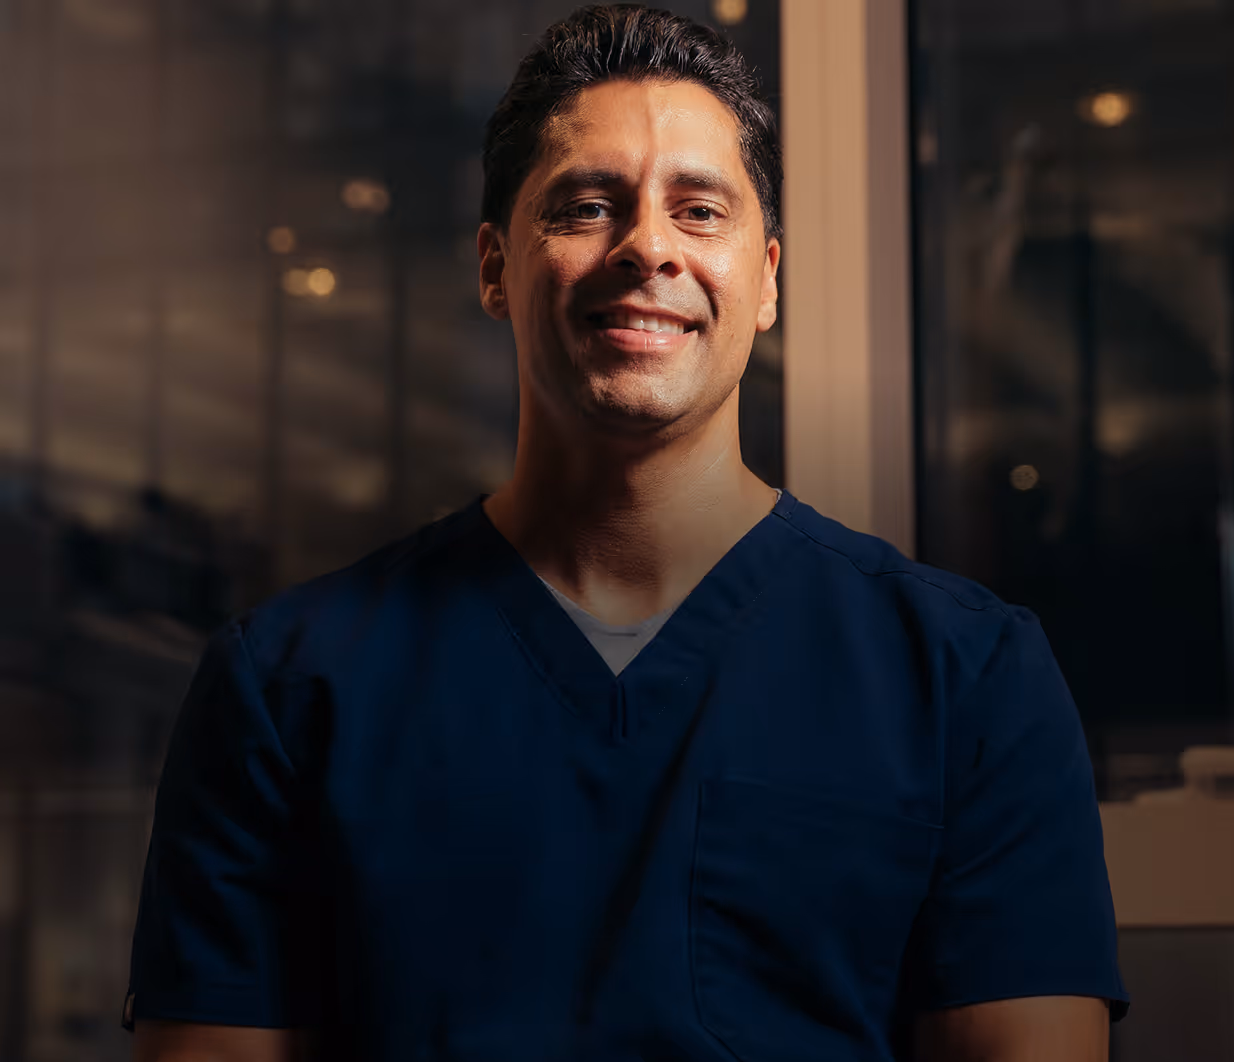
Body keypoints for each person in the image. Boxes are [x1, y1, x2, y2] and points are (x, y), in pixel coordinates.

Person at [123, 5, 1129, 1060]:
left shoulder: (963, 677)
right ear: (493, 267)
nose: (647, 245)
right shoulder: (285, 689)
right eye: (586, 206)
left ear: (768, 278)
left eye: (698, 212)